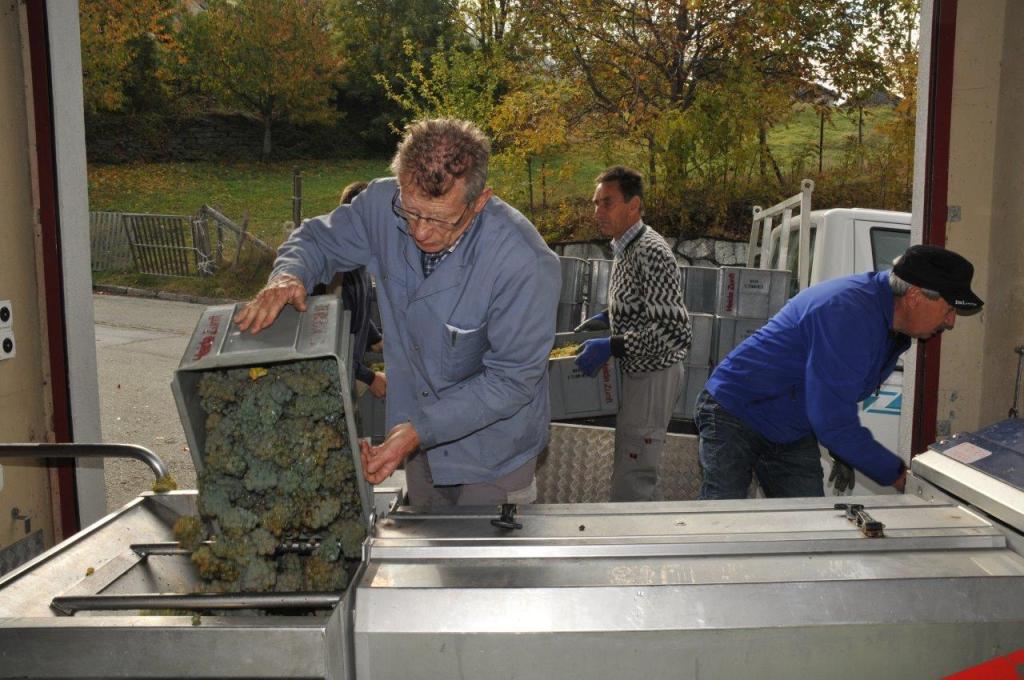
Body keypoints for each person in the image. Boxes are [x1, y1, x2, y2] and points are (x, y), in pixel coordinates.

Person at [234, 118, 560, 506]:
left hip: (494, 454)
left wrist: (420, 429)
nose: (420, 231)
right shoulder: (382, 204)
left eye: (439, 219)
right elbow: (316, 239)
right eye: (411, 211)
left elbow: (511, 380)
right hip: (416, 444)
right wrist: (289, 273)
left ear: (479, 201)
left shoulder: (524, 262)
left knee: (483, 546)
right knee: (424, 539)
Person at [695, 244, 983, 500]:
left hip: (790, 427)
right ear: (915, 296)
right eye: (949, 309)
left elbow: (832, 391)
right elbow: (832, 419)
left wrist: (843, 448)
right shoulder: (849, 313)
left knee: (809, 528)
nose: (951, 322)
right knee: (721, 518)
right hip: (736, 411)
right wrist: (901, 477)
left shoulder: (891, 326)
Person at [574, 166, 692, 501]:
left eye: (607, 203)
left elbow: (674, 333)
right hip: (637, 374)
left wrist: (612, 345)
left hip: (653, 375)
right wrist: (608, 317)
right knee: (632, 466)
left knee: (635, 475)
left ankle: (633, 535)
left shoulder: (650, 251)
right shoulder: (625, 247)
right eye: (596, 203)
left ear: (634, 206)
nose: (598, 211)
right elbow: (643, 304)